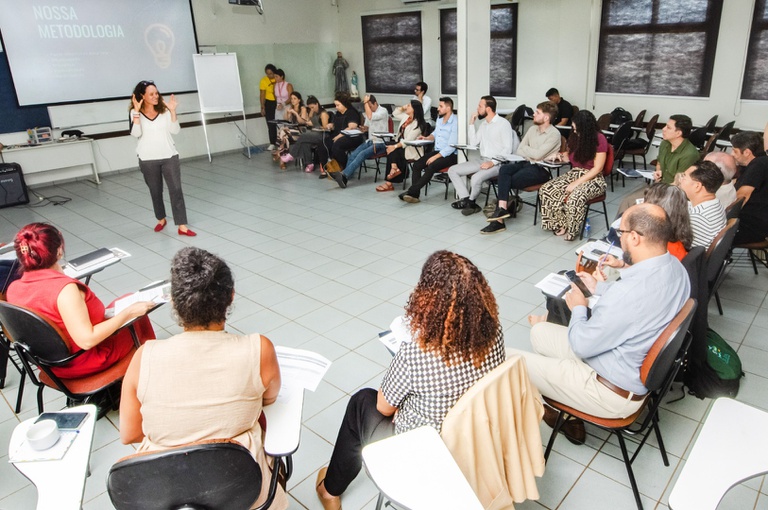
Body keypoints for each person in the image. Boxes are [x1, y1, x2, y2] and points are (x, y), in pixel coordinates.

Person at [315, 250, 505, 510]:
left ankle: (330, 489)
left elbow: (383, 407)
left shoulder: (416, 352)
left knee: (362, 402)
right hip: (472, 437)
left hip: (423, 451)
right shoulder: (493, 332)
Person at [119, 247, 287, 510]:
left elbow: (129, 433)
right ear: (231, 297)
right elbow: (270, 398)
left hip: (164, 493)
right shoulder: (259, 349)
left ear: (173, 302)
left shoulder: (144, 357)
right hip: (241, 490)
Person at [510, 204, 689, 438]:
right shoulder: (676, 267)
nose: (620, 238)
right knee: (540, 331)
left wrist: (579, 308)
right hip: (625, 364)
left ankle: (554, 406)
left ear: (634, 238)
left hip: (609, 391)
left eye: (621, 233)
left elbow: (582, 344)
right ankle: (558, 397)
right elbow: (637, 305)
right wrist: (600, 288)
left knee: (508, 361)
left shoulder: (627, 294)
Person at [6, 223, 156, 379]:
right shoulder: (65, 291)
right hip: (83, 361)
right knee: (137, 316)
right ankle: (148, 370)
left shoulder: (13, 289)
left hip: (50, 366)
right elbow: (87, 341)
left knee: (125, 300)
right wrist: (128, 313)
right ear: (58, 251)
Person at [481, 101, 561, 234]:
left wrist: (533, 153)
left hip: (541, 169)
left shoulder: (554, 134)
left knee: (506, 180)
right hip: (525, 162)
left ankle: (499, 217)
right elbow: (520, 150)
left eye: (537, 113)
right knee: (504, 170)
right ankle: (502, 211)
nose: (533, 114)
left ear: (546, 118)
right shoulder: (532, 129)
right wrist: (535, 153)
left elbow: (537, 154)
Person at [130, 80, 196, 236]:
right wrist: (137, 113)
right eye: (151, 94)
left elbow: (175, 130)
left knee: (176, 190)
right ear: (142, 96)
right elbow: (136, 134)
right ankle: (161, 219)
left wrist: (172, 111)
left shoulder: (165, 110)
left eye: (156, 93)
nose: (155, 96)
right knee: (155, 190)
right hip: (147, 158)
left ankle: (182, 225)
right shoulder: (134, 111)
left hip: (169, 156)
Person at [537, 110, 609, 241]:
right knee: (546, 189)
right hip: (575, 173)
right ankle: (560, 223)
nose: (575, 131)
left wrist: (576, 184)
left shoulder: (599, 139)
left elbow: (598, 168)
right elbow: (570, 156)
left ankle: (572, 229)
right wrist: (559, 156)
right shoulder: (575, 137)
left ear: (586, 128)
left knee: (575, 197)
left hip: (594, 178)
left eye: (577, 129)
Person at [448, 95, 519, 214]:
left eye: (480, 106)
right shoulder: (484, 124)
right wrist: (471, 123)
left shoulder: (503, 124)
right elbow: (474, 142)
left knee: (475, 178)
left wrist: (492, 163)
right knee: (452, 170)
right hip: (482, 160)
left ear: (488, 109)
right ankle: (466, 199)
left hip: (498, 164)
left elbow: (507, 149)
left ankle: (471, 202)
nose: (477, 108)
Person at [617, 114, 699, 215]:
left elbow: (679, 184)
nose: (663, 129)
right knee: (627, 201)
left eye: (668, 127)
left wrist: (655, 194)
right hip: (660, 186)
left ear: (678, 133)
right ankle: (620, 230)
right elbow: (659, 162)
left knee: (638, 208)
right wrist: (658, 171)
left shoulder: (689, 154)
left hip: (674, 193)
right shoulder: (665, 144)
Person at [399, 97, 459, 202]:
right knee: (417, 165)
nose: (438, 109)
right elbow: (435, 134)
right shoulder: (440, 119)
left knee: (431, 166)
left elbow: (451, 146)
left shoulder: (455, 122)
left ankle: (412, 191)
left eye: (441, 106)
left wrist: (435, 157)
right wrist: (427, 138)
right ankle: (414, 195)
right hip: (438, 152)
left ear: (448, 108)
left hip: (451, 155)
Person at [328, 94, 389, 188]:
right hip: (370, 140)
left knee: (362, 154)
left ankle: (344, 175)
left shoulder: (383, 111)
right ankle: (346, 175)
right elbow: (368, 125)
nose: (369, 109)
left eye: (370, 106)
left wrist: (365, 102)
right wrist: (364, 128)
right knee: (354, 154)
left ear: (375, 103)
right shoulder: (370, 113)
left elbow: (370, 117)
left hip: (380, 142)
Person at [375, 100, 427, 192]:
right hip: (401, 145)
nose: (407, 107)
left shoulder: (418, 124)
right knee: (391, 146)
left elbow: (408, 140)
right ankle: (394, 167)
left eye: (409, 106)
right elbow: (395, 113)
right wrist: (402, 107)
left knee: (392, 148)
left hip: (411, 148)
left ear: (414, 109)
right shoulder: (406, 117)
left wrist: (395, 146)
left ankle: (390, 180)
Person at [678, 161, 726, 249]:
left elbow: (681, 248)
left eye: (684, 177)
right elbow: (687, 205)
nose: (680, 180)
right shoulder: (715, 204)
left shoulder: (697, 217)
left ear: (697, 186)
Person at [731, 131, 768, 244]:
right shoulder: (757, 163)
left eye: (735, 151)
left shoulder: (758, 165)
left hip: (751, 227)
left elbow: (742, 196)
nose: (732, 154)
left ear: (747, 152)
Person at [317, 92, 360, 177]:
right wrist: (331, 125)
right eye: (335, 105)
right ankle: (326, 168)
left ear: (344, 104)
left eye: (338, 105)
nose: (336, 107)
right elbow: (336, 124)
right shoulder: (338, 113)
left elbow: (352, 127)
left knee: (337, 145)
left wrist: (339, 135)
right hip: (337, 135)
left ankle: (344, 168)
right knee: (322, 144)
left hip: (351, 137)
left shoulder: (352, 112)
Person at [285, 95, 332, 173]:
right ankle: (309, 164)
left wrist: (318, 127)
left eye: (313, 107)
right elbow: (309, 119)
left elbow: (325, 127)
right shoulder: (313, 112)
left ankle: (292, 155)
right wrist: (311, 112)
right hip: (314, 133)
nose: (311, 109)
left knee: (303, 135)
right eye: (310, 108)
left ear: (317, 104)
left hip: (322, 134)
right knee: (304, 143)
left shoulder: (323, 113)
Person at [276, 91, 310, 169]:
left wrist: (295, 113)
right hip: (290, 131)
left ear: (299, 100)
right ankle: (282, 160)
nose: (292, 100)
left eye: (295, 98)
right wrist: (288, 114)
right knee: (284, 136)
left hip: (301, 131)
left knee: (283, 131)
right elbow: (286, 120)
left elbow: (302, 122)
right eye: (291, 98)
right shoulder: (290, 108)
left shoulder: (303, 108)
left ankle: (279, 154)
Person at [260, 64, 278, 150]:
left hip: (278, 102)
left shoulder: (278, 78)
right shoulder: (264, 80)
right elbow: (262, 94)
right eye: (267, 73)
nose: (269, 75)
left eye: (271, 73)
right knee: (271, 123)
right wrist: (262, 107)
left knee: (281, 122)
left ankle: (282, 142)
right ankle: (272, 142)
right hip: (269, 103)